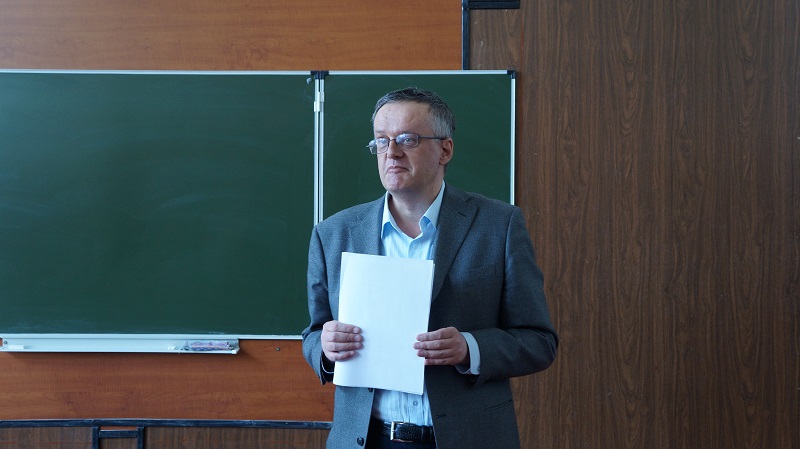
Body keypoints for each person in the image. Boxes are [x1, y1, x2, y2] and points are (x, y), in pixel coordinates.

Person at [302, 86, 558, 449]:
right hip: (366, 440)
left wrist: (469, 348)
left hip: (467, 439)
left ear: (445, 150)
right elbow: (313, 334)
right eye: (381, 141)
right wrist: (325, 347)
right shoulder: (333, 234)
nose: (391, 152)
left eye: (407, 139)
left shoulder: (498, 226)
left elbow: (539, 341)